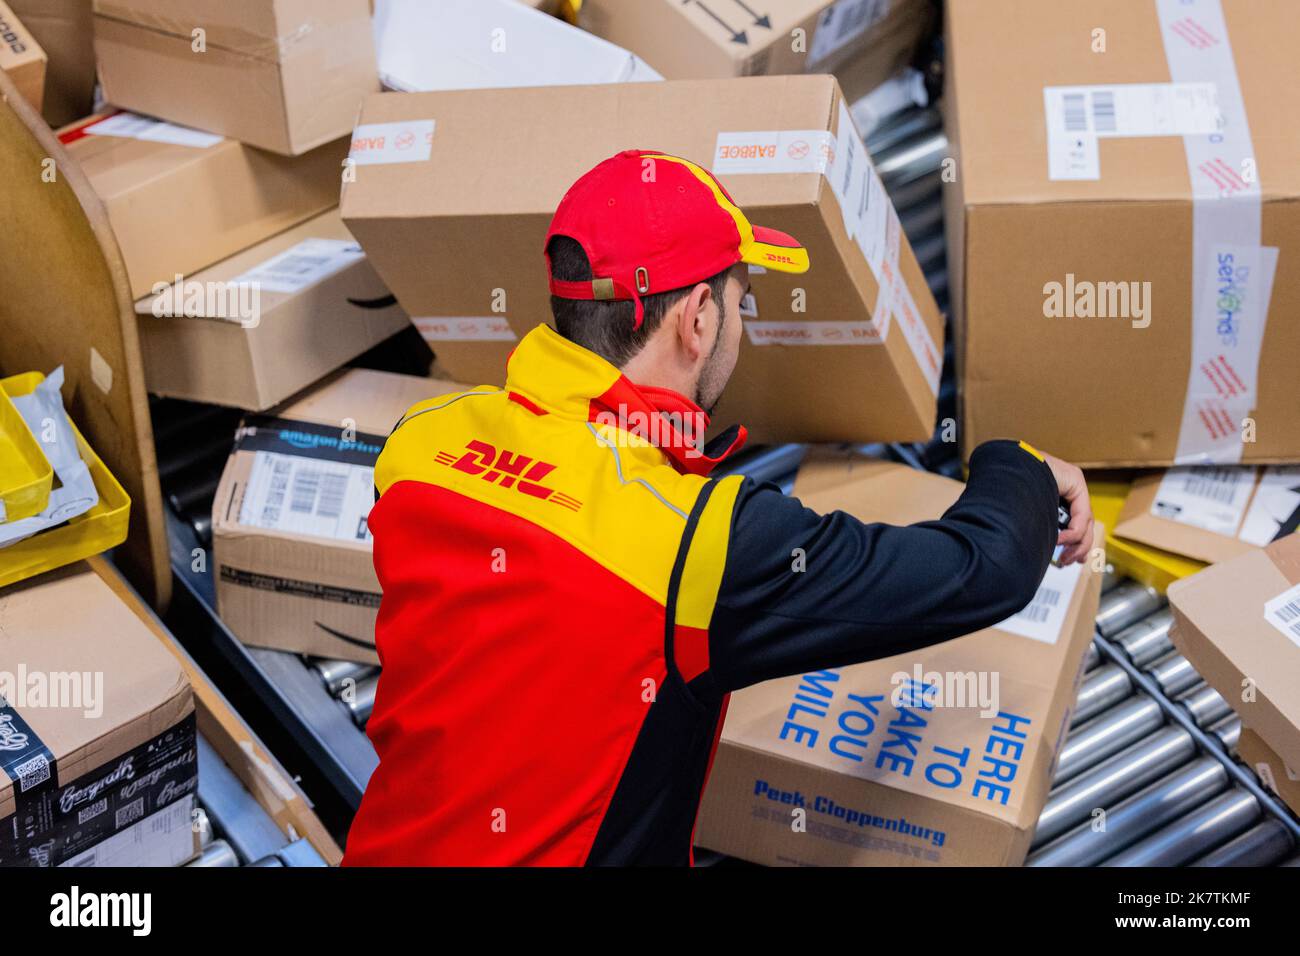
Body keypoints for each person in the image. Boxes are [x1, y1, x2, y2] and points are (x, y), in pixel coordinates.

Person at [343, 149, 1094, 866]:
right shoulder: (696, 545)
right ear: (698, 318)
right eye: (742, 301)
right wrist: (1019, 466)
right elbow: (983, 568)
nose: (745, 327)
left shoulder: (422, 444)